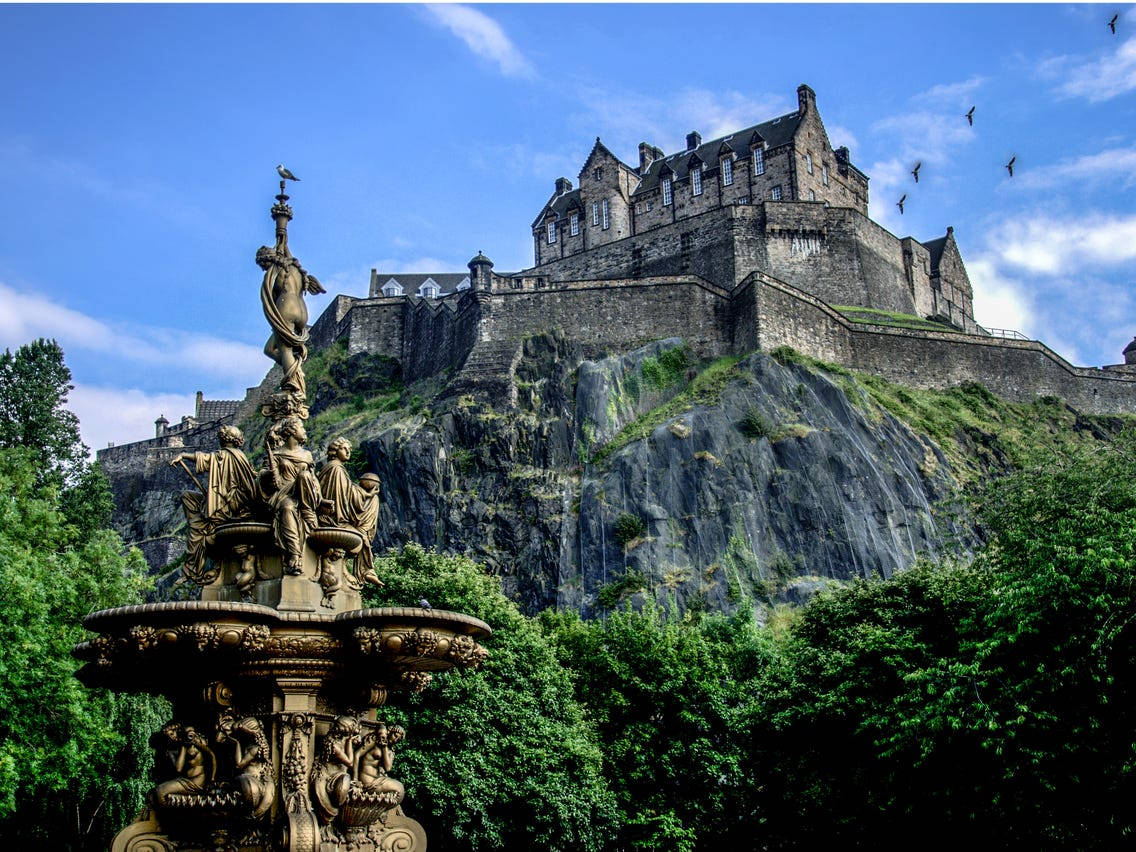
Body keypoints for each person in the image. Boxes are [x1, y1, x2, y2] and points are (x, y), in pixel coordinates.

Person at [170, 425, 256, 585]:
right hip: (228, 503)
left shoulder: (224, 455)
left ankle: (191, 569)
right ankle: (199, 524)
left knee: (197, 531)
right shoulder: (239, 456)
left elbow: (204, 458)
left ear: (224, 439)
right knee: (188, 496)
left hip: (227, 507)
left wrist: (182, 454)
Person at [264, 417, 321, 575]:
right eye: (301, 428)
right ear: (291, 432)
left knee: (304, 476)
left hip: (304, 494)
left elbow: (313, 478)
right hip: (284, 493)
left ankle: (308, 510)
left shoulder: (307, 455)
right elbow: (263, 478)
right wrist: (269, 474)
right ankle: (295, 555)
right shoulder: (276, 454)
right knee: (287, 508)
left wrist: (321, 499)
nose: (304, 431)